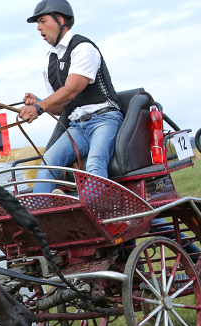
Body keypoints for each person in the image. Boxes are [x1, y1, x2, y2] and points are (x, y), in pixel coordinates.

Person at [18, 0, 124, 193]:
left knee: (94, 164)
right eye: (38, 24)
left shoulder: (83, 48)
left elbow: (71, 90)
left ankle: (93, 215)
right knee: (48, 165)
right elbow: (61, 107)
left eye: (42, 21)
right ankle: (38, 218)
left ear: (60, 20)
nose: (39, 28)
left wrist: (39, 108)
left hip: (104, 119)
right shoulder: (49, 61)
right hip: (77, 127)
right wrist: (40, 103)